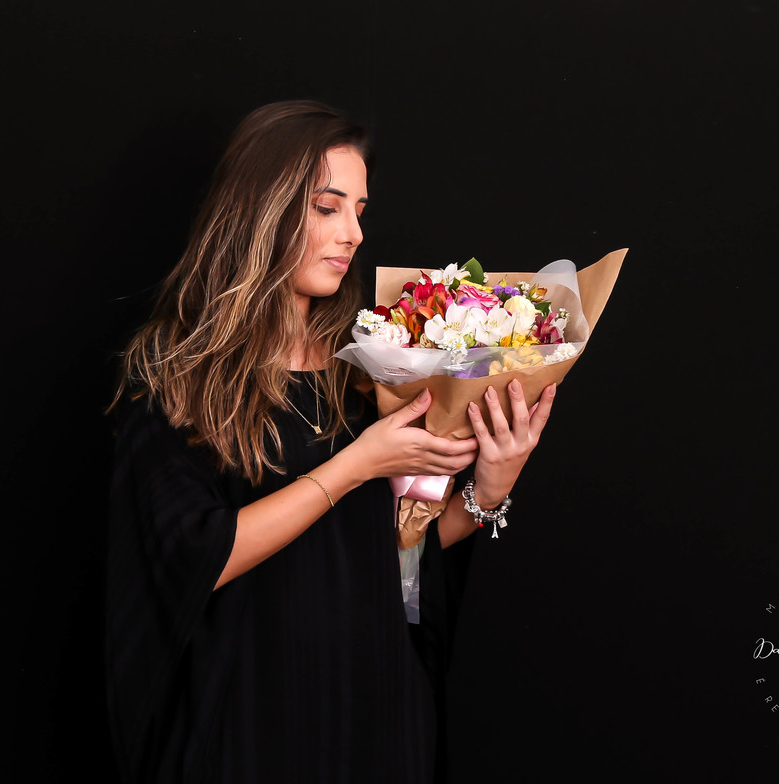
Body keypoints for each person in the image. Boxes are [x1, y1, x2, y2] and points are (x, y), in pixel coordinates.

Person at [105, 100, 556, 783]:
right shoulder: (180, 378)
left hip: (379, 715)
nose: (353, 233)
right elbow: (195, 556)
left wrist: (492, 488)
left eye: (360, 211)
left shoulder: (374, 366)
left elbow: (402, 552)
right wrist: (355, 465)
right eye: (327, 207)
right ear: (260, 211)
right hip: (252, 723)